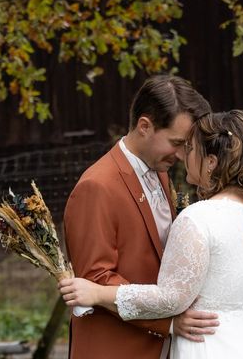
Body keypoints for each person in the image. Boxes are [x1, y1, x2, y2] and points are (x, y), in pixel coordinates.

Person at [60, 110, 243, 359]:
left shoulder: (198, 218)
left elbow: (170, 299)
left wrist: (97, 293)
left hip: (208, 347)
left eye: (191, 149)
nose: (184, 156)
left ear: (212, 162)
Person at [63, 75, 218, 359]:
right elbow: (96, 279)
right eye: (177, 142)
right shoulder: (96, 187)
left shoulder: (160, 172)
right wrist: (167, 321)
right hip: (114, 348)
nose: (184, 155)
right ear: (145, 126)